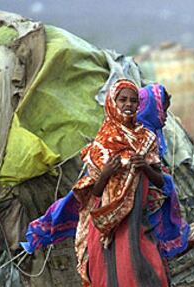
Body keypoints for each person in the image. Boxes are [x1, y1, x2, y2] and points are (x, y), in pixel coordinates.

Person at [73, 79, 168, 287]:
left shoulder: (147, 138)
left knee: (149, 268)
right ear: (112, 102)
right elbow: (95, 192)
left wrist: (145, 166)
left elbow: (160, 181)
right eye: (122, 99)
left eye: (133, 101)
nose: (128, 104)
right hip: (109, 219)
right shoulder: (103, 141)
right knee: (113, 273)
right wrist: (106, 173)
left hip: (137, 216)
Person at [137, 83, 189, 258]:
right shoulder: (139, 137)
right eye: (163, 111)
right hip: (140, 210)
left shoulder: (154, 134)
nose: (165, 117)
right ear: (151, 109)